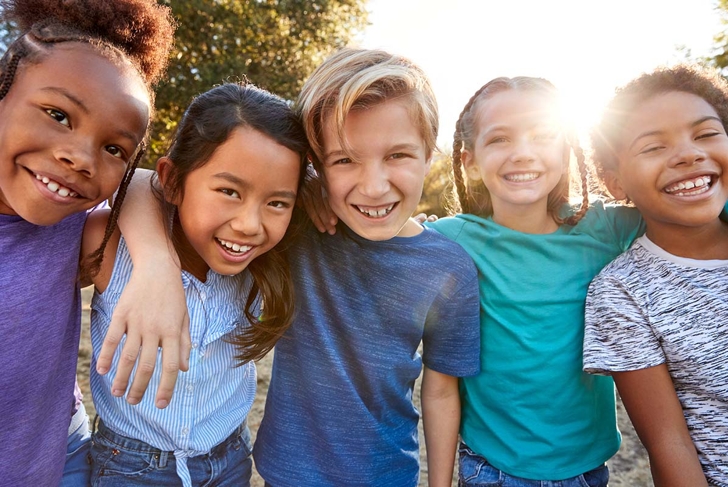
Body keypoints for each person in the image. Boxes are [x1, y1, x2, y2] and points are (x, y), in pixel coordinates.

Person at [250, 47, 481, 487]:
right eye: (344, 159)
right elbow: (173, 181)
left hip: (387, 474)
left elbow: (441, 389)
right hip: (285, 472)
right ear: (316, 164)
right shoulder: (295, 224)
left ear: (429, 155)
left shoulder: (450, 267)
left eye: (397, 156)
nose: (374, 187)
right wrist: (305, 186)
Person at [84, 81, 307, 487]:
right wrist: (156, 264)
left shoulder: (272, 261)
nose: (250, 225)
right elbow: (132, 180)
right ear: (173, 181)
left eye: (276, 202)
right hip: (128, 465)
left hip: (230, 459)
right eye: (228, 191)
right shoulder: (112, 247)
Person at [425, 77, 645, 486]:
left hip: (586, 470)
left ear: (565, 153)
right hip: (490, 469)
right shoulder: (450, 240)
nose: (523, 153)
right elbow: (380, 233)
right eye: (500, 140)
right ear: (470, 161)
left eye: (543, 135)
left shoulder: (606, 229)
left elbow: (691, 209)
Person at [0, 1, 182, 485]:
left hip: (63, 458)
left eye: (113, 148)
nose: (81, 158)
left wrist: (157, 266)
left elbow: (143, 185)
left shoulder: (69, 222)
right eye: (58, 114)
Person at [583, 64, 728, 486]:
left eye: (705, 134)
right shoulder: (621, 291)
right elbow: (669, 444)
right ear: (615, 182)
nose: (688, 154)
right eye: (653, 147)